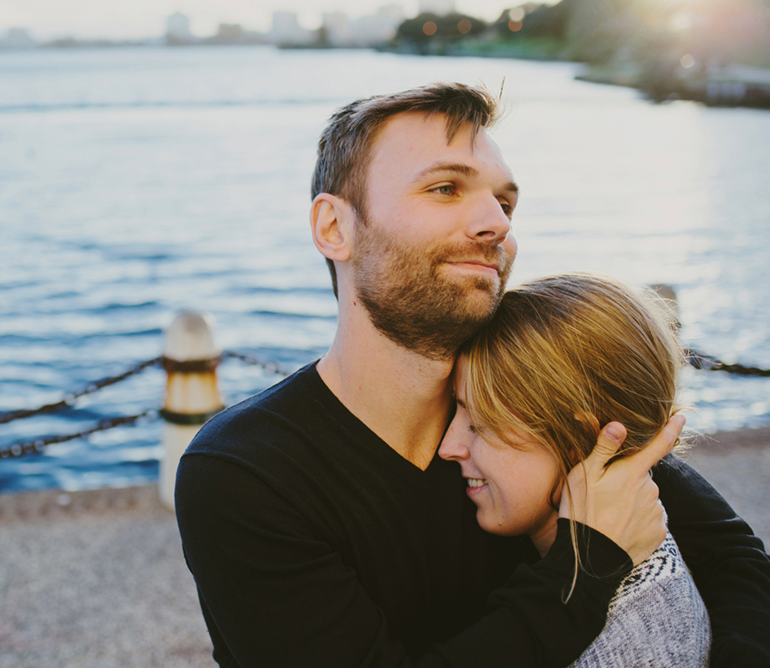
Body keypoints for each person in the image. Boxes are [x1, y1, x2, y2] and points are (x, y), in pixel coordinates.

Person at [175, 82, 770, 667]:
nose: (496, 223)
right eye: (445, 188)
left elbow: (734, 558)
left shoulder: (533, 393)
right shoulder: (245, 474)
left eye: (505, 203)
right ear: (334, 228)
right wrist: (583, 567)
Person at [439, 272, 711, 667]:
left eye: (480, 424)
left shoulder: (624, 648)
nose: (449, 446)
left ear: (579, 440)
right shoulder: (654, 565)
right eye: (454, 409)